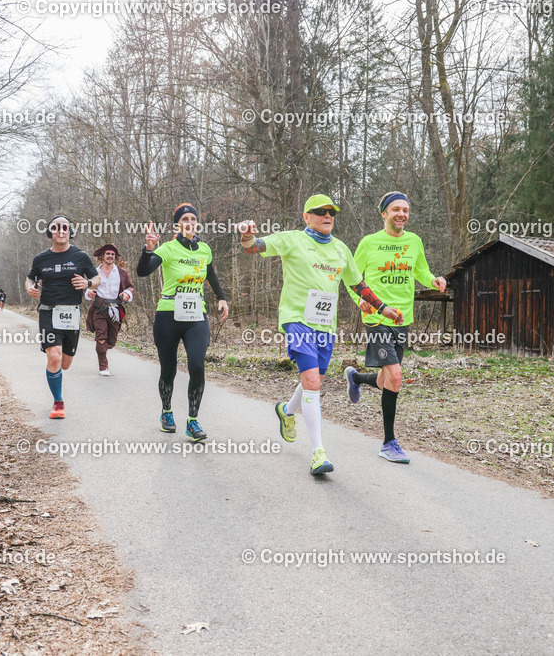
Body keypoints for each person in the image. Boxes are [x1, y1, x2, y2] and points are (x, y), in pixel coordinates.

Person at [238, 194, 403, 476]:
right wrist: (246, 237)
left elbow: (358, 284)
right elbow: (255, 247)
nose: (327, 216)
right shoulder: (293, 239)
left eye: (332, 212)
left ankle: (287, 411)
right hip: (297, 320)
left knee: (313, 380)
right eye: (320, 211)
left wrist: (383, 308)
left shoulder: (340, 249)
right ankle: (318, 453)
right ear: (306, 217)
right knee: (313, 382)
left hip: (325, 325)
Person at [344, 191, 447, 464]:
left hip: (403, 319)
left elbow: (420, 271)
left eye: (405, 210)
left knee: (386, 380)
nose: (402, 214)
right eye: (396, 209)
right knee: (397, 376)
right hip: (377, 319)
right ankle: (389, 442)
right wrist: (360, 302)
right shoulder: (369, 243)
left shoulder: (414, 241)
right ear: (384, 214)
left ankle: (355, 378)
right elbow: (351, 277)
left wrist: (433, 280)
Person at [137, 203, 228, 442]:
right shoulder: (167, 249)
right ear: (178, 224)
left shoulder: (205, 249)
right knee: (169, 369)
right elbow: (142, 272)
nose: (189, 222)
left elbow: (211, 274)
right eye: (184, 219)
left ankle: (193, 420)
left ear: (196, 222)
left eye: (192, 218)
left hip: (196, 315)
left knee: (197, 365)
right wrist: (148, 249)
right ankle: (167, 413)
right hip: (168, 315)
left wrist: (222, 298)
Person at [26, 215, 100, 419]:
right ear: (50, 232)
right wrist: (31, 288)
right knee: (54, 356)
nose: (61, 231)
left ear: (70, 232)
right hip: (48, 311)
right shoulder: (41, 258)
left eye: (65, 228)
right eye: (56, 228)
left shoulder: (81, 256)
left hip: (71, 313)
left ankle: (55, 372)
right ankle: (58, 403)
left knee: (65, 363)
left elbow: (96, 277)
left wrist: (88, 284)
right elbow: (30, 278)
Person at [84, 244, 134, 376]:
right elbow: (86, 288)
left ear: (115, 257)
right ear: (102, 256)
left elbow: (130, 287)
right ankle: (103, 365)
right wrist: (89, 294)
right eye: (108, 254)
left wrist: (127, 294)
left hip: (115, 309)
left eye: (112, 254)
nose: (110, 256)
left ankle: (103, 348)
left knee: (111, 340)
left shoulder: (121, 272)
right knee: (101, 336)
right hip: (99, 308)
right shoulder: (94, 272)